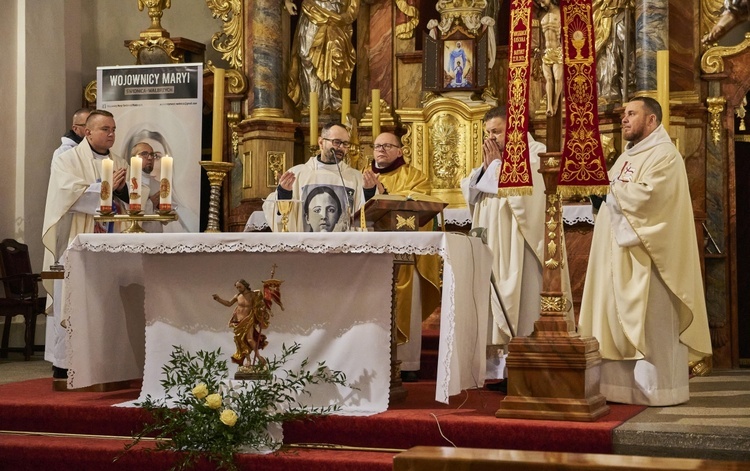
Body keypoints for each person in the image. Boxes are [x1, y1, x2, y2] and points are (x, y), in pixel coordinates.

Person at [578, 97, 712, 406]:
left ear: (651, 120)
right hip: (618, 256)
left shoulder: (665, 156)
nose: (623, 119)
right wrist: (597, 194)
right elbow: (612, 195)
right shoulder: (627, 157)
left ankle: (657, 390)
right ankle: (616, 389)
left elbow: (651, 200)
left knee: (650, 322)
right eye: (624, 113)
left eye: (631, 114)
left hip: (648, 262)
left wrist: (605, 190)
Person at [460, 106, 573, 389]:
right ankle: (498, 372)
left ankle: (524, 367)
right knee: (492, 298)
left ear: (516, 129)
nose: (491, 139)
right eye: (488, 133)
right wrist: (488, 168)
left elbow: (530, 197)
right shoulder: (494, 158)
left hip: (519, 244)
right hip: (493, 241)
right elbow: (472, 189)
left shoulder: (536, 154)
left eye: (497, 132)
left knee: (522, 299)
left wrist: (496, 167)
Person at [42, 109, 130, 380]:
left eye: (114, 128)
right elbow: (67, 196)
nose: (112, 133)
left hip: (111, 240)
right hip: (76, 241)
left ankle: (108, 359)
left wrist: (123, 191)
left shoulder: (120, 162)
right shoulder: (67, 160)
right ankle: (65, 362)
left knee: (107, 302)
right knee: (73, 300)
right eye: (105, 129)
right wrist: (107, 188)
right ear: (88, 132)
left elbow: (131, 200)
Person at [363, 132, 442, 381]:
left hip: (407, 257)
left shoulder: (414, 176)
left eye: (387, 145)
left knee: (408, 307)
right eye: (377, 146)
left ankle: (406, 364)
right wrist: (369, 193)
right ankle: (371, 361)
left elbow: (423, 207)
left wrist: (384, 194)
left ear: (400, 150)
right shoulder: (362, 176)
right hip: (372, 256)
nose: (381, 150)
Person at [262, 122, 374, 232]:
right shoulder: (298, 174)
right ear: (321, 142)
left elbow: (367, 217)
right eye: (336, 142)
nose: (341, 148)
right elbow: (274, 210)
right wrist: (284, 193)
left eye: (345, 144)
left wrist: (369, 191)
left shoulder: (356, 177)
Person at [287, 0, 359, 113]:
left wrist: (342, 18)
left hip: (336, 21)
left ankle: (332, 102)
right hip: (311, 13)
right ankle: (311, 103)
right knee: (307, 58)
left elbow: (353, 9)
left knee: (334, 60)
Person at [213, 279, 270, 368]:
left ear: (245, 285)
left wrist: (262, 308)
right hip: (238, 322)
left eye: (240, 287)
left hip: (248, 320)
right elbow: (228, 303)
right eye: (237, 287)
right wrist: (218, 299)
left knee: (250, 339)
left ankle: (259, 357)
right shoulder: (237, 296)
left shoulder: (252, 295)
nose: (239, 289)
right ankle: (248, 360)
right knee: (241, 341)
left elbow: (259, 305)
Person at [537, 0, 563, 116]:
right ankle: (548, 106)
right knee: (548, 79)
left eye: (542, 1)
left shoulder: (560, 12)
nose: (541, 4)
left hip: (557, 50)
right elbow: (540, 36)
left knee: (557, 79)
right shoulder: (541, 15)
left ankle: (556, 103)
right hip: (546, 51)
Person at [130, 142, 163, 233]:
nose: (150, 158)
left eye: (152, 155)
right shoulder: (128, 183)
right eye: (144, 154)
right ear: (133, 158)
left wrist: (162, 206)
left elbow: (169, 216)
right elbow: (126, 211)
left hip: (156, 236)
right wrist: (151, 203)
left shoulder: (158, 185)